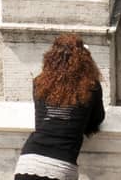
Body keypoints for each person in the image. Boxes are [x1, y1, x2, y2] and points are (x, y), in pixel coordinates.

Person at [13, 34, 105, 180]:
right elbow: (97, 119)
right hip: (60, 166)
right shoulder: (91, 87)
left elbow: (41, 120)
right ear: (85, 60)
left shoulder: (39, 83)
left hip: (28, 162)